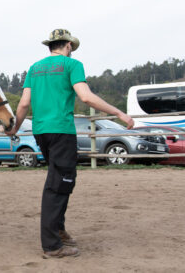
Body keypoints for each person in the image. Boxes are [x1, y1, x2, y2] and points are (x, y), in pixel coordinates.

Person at [7, 29, 134, 259]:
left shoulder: (35, 68)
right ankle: (52, 246)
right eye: (71, 48)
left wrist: (16, 127)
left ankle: (58, 229)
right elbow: (85, 97)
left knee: (64, 179)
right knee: (57, 184)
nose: (72, 51)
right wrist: (119, 113)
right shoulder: (71, 65)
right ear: (67, 46)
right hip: (62, 130)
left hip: (41, 132)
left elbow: (24, 103)